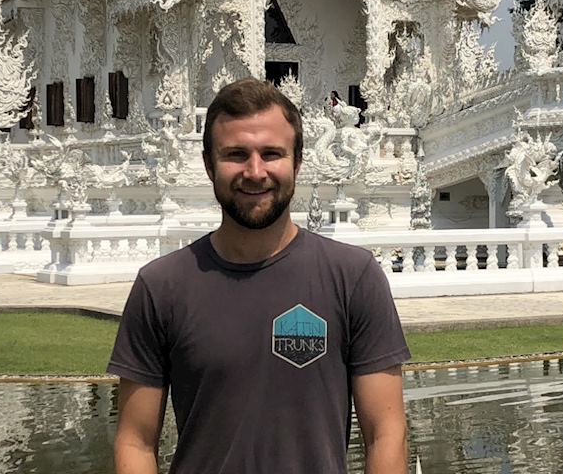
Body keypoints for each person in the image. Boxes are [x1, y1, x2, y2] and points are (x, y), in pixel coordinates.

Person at [109, 79, 410, 474]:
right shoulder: (161, 286)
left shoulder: (353, 277)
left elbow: (386, 433)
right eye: (236, 154)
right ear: (208, 164)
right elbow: (136, 441)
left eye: (272, 154)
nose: (255, 172)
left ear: (297, 162)